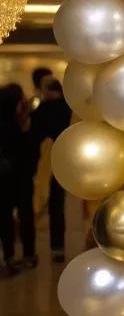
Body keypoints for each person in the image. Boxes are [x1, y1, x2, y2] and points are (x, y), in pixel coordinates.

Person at [32, 75, 71, 262]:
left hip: (44, 163)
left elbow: (34, 135)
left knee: (40, 202)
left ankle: (33, 250)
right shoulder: (68, 107)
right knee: (58, 204)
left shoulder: (42, 109)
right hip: (63, 161)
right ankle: (58, 248)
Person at [0, 83, 37, 275]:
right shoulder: (19, 123)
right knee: (22, 215)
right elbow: (29, 150)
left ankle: (10, 256)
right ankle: (25, 255)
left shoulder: (18, 121)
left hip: (10, 178)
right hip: (16, 177)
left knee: (7, 217)